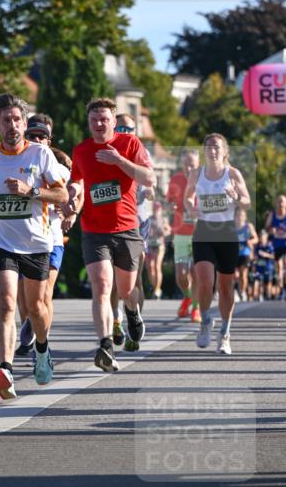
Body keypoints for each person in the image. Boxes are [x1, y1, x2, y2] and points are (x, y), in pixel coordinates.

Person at [0, 93, 68, 398]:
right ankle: (6, 369)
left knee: (36, 308)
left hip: (36, 241)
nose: (12, 125)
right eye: (6, 120)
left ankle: (42, 349)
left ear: (24, 124)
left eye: (17, 120)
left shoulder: (39, 155)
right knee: (7, 304)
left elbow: (62, 196)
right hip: (0, 240)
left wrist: (31, 190)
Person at [64, 98, 155, 372]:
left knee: (126, 289)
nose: (99, 124)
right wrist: (72, 194)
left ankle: (131, 309)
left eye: (104, 119)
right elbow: (76, 180)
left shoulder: (130, 145)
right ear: (89, 123)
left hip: (127, 229)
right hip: (94, 231)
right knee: (102, 287)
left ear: (114, 122)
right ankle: (104, 345)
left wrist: (119, 160)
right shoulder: (81, 151)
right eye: (94, 120)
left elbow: (148, 178)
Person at [183, 133, 251, 355]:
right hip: (203, 231)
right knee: (205, 282)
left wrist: (236, 197)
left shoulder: (232, 174)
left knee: (225, 287)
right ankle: (204, 321)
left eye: (216, 147)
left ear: (225, 151)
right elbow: (187, 197)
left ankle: (225, 333)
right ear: (204, 151)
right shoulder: (196, 174)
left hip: (227, 233)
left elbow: (247, 202)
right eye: (208, 147)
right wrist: (190, 206)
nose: (212, 151)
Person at [15, 114, 70, 358]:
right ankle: (31, 330)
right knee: (23, 300)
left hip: (51, 239)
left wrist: (72, 210)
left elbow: (70, 194)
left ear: (49, 140)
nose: (37, 140)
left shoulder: (59, 165)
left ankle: (40, 340)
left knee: (44, 294)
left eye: (42, 136)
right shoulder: (13, 159)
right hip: (17, 239)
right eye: (32, 136)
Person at [106, 113, 155, 352]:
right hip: (110, 223)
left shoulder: (141, 151)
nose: (125, 132)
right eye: (121, 127)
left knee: (134, 280)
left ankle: (134, 322)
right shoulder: (105, 150)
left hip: (138, 223)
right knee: (112, 280)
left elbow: (151, 181)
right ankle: (116, 320)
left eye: (130, 128)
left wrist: (149, 192)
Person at [166, 148, 201, 322]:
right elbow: (169, 204)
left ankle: (196, 308)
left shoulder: (205, 180)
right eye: (186, 165)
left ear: (198, 164)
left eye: (192, 165)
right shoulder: (175, 179)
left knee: (195, 272)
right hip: (180, 233)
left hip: (199, 234)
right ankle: (187, 296)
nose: (189, 169)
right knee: (181, 274)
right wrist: (171, 208)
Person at [265, 194, 286, 300]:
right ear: (276, 203)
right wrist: (270, 230)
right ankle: (281, 290)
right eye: (279, 201)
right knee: (279, 268)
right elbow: (266, 227)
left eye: (283, 201)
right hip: (277, 245)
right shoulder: (272, 215)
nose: (281, 203)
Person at [234, 206, 257, 302]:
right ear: (235, 217)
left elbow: (256, 239)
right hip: (234, 254)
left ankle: (242, 292)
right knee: (235, 275)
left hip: (245, 253)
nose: (240, 217)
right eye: (238, 215)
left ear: (245, 217)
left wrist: (250, 242)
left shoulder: (249, 226)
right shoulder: (231, 227)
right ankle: (237, 291)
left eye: (242, 215)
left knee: (243, 274)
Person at [252, 229, 275, 302]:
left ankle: (268, 295)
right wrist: (254, 262)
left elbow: (273, 256)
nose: (262, 237)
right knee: (257, 280)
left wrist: (266, 255)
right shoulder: (257, 246)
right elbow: (255, 256)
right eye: (261, 236)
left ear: (266, 236)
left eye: (263, 236)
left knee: (267, 282)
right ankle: (257, 295)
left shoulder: (270, 245)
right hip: (259, 267)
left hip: (268, 267)